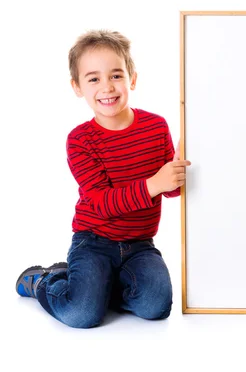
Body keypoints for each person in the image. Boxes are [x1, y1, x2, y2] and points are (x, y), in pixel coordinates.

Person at [15, 30, 191, 328]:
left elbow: (170, 189)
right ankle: (46, 280)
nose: (107, 87)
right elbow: (101, 204)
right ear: (77, 87)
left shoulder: (156, 126)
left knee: (156, 305)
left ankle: (99, 289)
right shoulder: (80, 139)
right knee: (81, 314)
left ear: (132, 78)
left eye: (116, 76)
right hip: (94, 241)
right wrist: (155, 184)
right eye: (94, 79)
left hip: (140, 243)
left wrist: (181, 172)